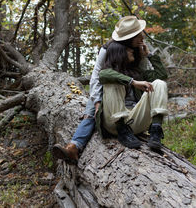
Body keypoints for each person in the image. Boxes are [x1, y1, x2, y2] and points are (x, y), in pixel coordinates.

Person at [52, 16, 168, 164]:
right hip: (114, 116)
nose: (142, 37)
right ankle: (74, 146)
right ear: (127, 42)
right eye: (138, 35)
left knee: (159, 83)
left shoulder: (138, 56)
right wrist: (97, 102)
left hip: (135, 116)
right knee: (101, 98)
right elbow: (99, 76)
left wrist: (149, 55)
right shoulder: (108, 50)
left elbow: (161, 75)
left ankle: (156, 131)